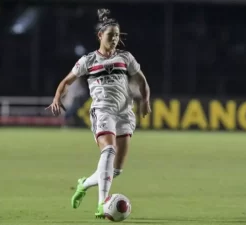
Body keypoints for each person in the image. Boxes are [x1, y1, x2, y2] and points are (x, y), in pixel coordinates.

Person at [46, 8, 151, 218]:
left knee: (116, 170)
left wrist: (145, 102)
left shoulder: (126, 58)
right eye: (110, 35)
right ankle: (102, 203)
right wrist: (57, 97)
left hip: (124, 114)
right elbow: (66, 81)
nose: (114, 39)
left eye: (117, 36)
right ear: (100, 36)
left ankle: (84, 183)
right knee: (108, 150)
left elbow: (142, 81)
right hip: (102, 110)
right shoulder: (89, 61)